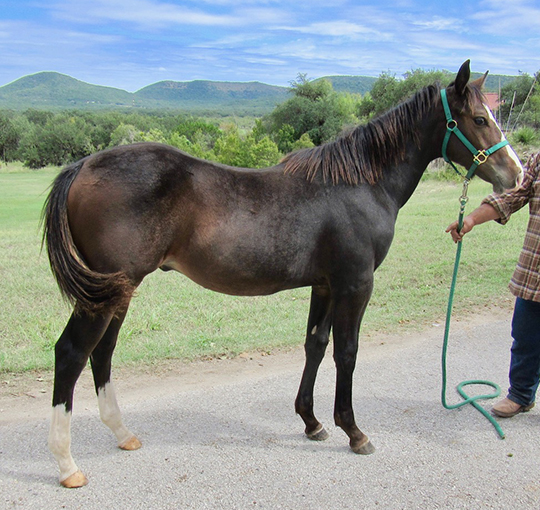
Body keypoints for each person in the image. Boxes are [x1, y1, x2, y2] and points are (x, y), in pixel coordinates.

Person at [446, 152, 540, 418]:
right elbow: (510, 196)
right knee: (525, 335)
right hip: (535, 271)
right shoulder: (538, 161)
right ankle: (521, 395)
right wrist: (472, 219)